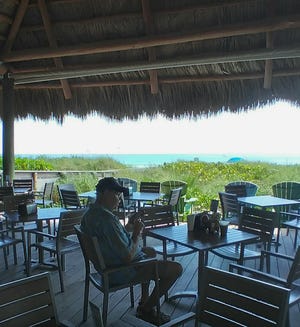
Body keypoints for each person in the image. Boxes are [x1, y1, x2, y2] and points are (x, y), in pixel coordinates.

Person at [80, 177, 182, 325]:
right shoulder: (107, 220)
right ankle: (147, 309)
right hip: (119, 271)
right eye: (115, 194)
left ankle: (144, 300)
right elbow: (128, 256)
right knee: (176, 269)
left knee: (150, 251)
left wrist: (129, 225)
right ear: (103, 193)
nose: (119, 199)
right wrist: (136, 233)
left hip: (106, 267)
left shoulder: (90, 215)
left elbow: (114, 238)